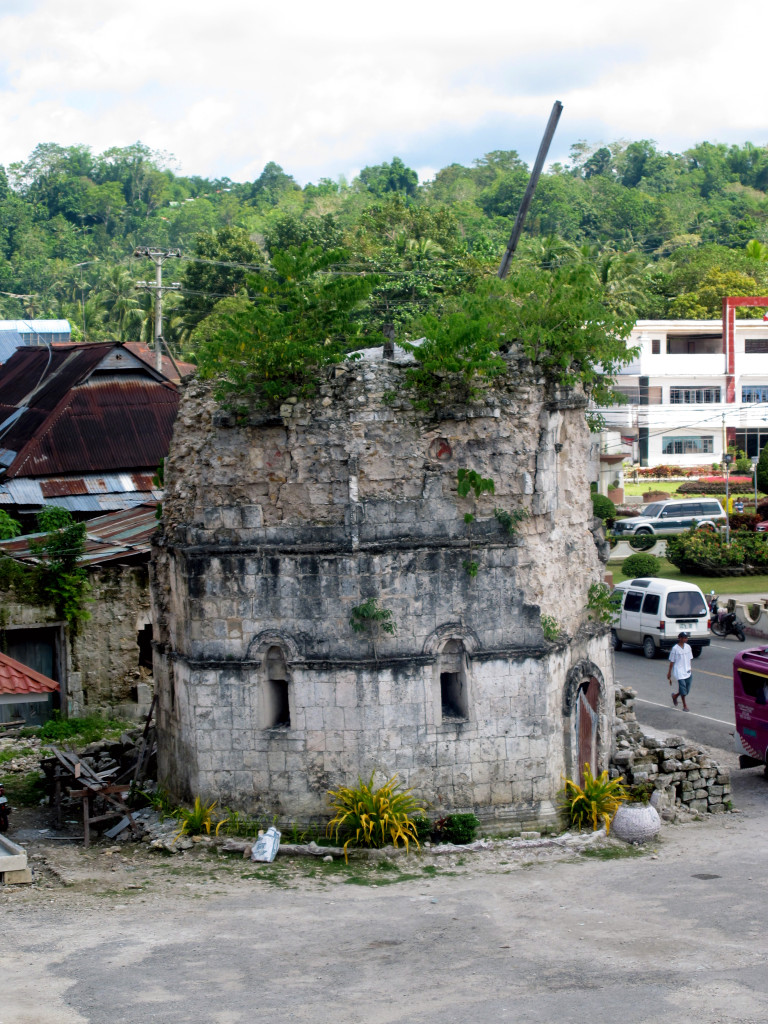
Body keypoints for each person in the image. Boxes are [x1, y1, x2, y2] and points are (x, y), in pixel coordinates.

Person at [668, 631, 694, 711]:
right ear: (680, 638)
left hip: (687, 671)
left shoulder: (688, 647)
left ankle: (675, 696)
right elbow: (672, 661)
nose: (686, 639)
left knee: (686, 689)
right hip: (679, 671)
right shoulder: (675, 649)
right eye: (684, 638)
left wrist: (689, 667)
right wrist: (669, 672)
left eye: (686, 638)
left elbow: (689, 658)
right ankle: (684, 705)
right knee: (683, 689)